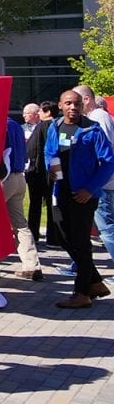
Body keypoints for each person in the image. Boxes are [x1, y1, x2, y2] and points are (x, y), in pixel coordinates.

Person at [45, 89, 114, 308]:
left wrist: (90, 189)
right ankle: (95, 282)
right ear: (60, 105)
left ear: (83, 106)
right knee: (63, 237)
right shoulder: (55, 126)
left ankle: (82, 293)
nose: (73, 107)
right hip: (60, 191)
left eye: (77, 104)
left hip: (83, 195)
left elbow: (109, 162)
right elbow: (50, 152)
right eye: (68, 103)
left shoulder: (92, 129)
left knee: (81, 242)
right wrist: (52, 169)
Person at [73, 85, 114, 272]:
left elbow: (103, 153)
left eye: (77, 101)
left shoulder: (99, 118)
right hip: (97, 182)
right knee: (86, 224)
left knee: (106, 227)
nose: (74, 106)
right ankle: (80, 264)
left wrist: (93, 182)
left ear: (87, 99)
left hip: (102, 183)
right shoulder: (95, 118)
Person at [3, 114, 43, 280]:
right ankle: (32, 264)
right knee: (20, 224)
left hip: (5, 178)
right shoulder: (16, 126)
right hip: (19, 176)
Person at [26, 100, 59, 245]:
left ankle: (33, 233)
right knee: (53, 203)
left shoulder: (43, 126)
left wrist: (31, 167)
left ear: (48, 112)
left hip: (39, 171)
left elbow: (33, 149)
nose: (38, 113)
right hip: (54, 169)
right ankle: (54, 236)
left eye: (40, 110)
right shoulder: (59, 125)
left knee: (35, 204)